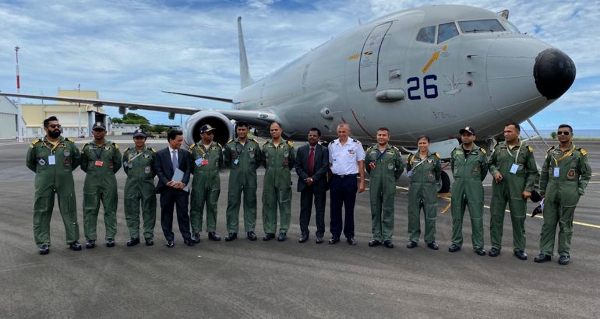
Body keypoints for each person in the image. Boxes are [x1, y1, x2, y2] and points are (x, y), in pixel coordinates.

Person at [534, 124, 592, 265]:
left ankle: (564, 253)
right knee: (548, 224)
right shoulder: (552, 152)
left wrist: (579, 190)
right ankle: (546, 252)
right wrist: (542, 191)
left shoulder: (578, 154)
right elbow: (544, 174)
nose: (562, 135)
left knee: (565, 224)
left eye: (565, 132)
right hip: (551, 190)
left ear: (571, 134)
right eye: (559, 132)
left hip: (569, 190)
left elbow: (586, 174)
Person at [26, 116, 82, 254]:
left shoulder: (69, 144)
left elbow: (76, 160)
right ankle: (43, 243)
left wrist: (65, 172)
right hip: (44, 183)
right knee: (42, 210)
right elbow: (30, 162)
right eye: (53, 126)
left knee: (69, 209)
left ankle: (73, 240)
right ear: (46, 129)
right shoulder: (37, 145)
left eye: (58, 125)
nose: (57, 128)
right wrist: (43, 173)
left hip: (65, 182)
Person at [488, 123, 539, 260]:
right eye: (504, 132)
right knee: (496, 218)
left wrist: (528, 188)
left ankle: (519, 248)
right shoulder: (499, 148)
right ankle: (495, 246)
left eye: (509, 131)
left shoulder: (525, 150)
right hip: (499, 187)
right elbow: (491, 164)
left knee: (518, 219)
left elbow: (532, 171)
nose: (505, 134)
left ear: (517, 133)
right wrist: (495, 172)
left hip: (518, 189)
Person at [81, 122, 122, 248]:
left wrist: (108, 173)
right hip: (91, 182)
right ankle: (90, 238)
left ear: (105, 132)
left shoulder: (113, 147)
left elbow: (117, 163)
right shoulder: (87, 147)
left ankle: (110, 237)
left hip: (109, 181)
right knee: (90, 210)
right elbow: (83, 165)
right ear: (92, 132)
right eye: (96, 130)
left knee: (110, 209)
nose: (98, 132)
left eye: (101, 130)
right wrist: (94, 173)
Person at [448, 126, 488, 255]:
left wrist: (474, 181)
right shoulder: (455, 152)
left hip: (474, 187)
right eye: (463, 135)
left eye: (468, 135)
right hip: (458, 187)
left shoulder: (481, 153)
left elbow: (484, 170)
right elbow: (454, 168)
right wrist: (461, 180)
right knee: (457, 217)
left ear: (474, 137)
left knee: (476, 218)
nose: (465, 137)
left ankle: (478, 245)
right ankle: (456, 242)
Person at [223, 121, 262, 241]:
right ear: (236, 131)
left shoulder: (254, 145)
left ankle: (250, 230)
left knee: (250, 203)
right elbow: (227, 161)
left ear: (248, 130)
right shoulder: (230, 145)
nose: (241, 132)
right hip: (235, 178)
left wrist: (248, 169)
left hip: (250, 178)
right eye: (239, 130)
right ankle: (232, 231)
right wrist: (237, 169)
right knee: (233, 203)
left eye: (243, 130)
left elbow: (258, 160)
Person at [154, 130, 194, 248]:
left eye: (182, 140)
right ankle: (169, 238)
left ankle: (187, 237)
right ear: (171, 140)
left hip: (181, 189)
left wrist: (184, 182)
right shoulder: (160, 154)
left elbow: (188, 169)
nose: (181, 143)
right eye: (179, 140)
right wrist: (167, 182)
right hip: (167, 190)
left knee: (183, 214)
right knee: (166, 214)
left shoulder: (185, 154)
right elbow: (158, 170)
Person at [365, 127, 403, 248]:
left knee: (388, 210)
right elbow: (367, 167)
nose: (381, 137)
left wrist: (392, 179)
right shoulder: (371, 151)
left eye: (384, 135)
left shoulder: (394, 152)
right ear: (376, 136)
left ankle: (387, 237)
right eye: (379, 135)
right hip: (375, 183)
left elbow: (400, 167)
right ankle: (376, 236)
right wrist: (375, 177)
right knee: (375, 210)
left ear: (388, 137)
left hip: (389, 184)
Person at [328, 123, 365, 245]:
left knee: (349, 209)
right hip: (336, 180)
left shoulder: (356, 144)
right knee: (335, 209)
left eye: (344, 132)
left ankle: (350, 235)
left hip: (350, 180)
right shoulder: (332, 145)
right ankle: (335, 234)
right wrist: (329, 181)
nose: (341, 134)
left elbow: (360, 163)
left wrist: (362, 182)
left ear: (348, 132)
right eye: (339, 132)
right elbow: (330, 164)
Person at [122, 129, 157, 247]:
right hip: (131, 185)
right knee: (132, 210)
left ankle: (148, 236)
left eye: (141, 138)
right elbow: (126, 167)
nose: (139, 140)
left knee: (149, 210)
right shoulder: (128, 153)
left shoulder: (152, 153)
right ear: (134, 139)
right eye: (137, 138)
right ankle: (134, 236)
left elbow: (155, 170)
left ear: (145, 139)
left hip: (147, 185)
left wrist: (146, 178)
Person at [261, 122, 296, 242]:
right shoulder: (266, 146)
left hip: (283, 179)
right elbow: (264, 162)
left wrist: (283, 171)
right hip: (269, 179)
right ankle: (270, 231)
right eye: (271, 130)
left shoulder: (288, 145)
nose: (274, 132)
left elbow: (292, 161)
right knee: (269, 205)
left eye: (276, 129)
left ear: (281, 130)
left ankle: (283, 230)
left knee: (284, 205)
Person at [189, 124, 224, 243]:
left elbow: (220, 163)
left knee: (212, 206)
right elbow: (189, 165)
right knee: (197, 206)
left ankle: (212, 231)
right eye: (208, 133)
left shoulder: (217, 147)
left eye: (212, 133)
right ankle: (196, 231)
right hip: (199, 182)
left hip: (214, 181)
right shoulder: (194, 148)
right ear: (201, 135)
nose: (211, 135)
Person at [406, 135, 441, 250]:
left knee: (430, 215)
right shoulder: (411, 157)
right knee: (413, 215)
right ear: (418, 145)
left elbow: (438, 173)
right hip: (414, 189)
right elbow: (408, 171)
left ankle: (430, 240)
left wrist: (430, 183)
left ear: (428, 144)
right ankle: (413, 239)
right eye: (420, 143)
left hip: (429, 189)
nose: (422, 145)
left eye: (424, 143)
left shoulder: (435, 158)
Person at [295, 128, 329, 244]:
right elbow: (298, 167)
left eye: (314, 136)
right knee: (305, 210)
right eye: (310, 135)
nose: (312, 137)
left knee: (320, 210)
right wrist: (306, 178)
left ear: (319, 138)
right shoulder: (301, 150)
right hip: (305, 184)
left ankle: (320, 234)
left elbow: (325, 167)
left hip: (319, 184)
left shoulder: (324, 150)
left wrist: (313, 179)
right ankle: (304, 233)